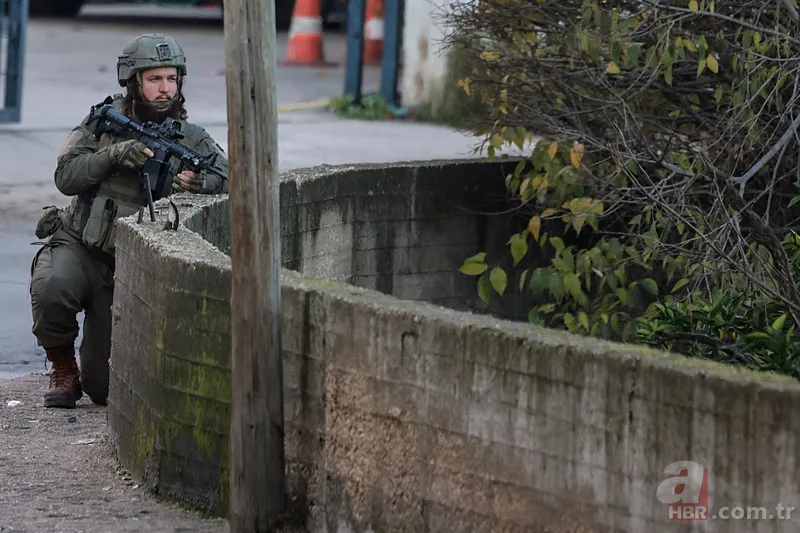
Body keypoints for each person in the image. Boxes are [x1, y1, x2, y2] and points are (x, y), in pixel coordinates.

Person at [29, 33, 229, 409]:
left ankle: (86, 372)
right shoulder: (103, 122)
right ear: (134, 81)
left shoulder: (192, 138)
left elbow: (232, 177)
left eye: (172, 79)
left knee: (104, 390)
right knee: (51, 285)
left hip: (130, 265)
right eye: (154, 80)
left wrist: (203, 182)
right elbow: (66, 177)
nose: (165, 89)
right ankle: (61, 366)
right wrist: (112, 155)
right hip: (80, 245)